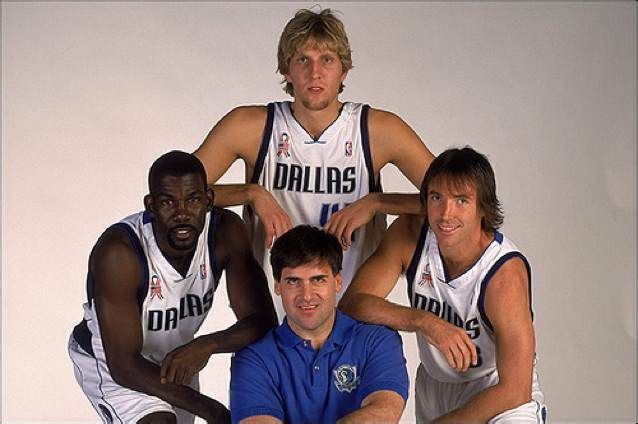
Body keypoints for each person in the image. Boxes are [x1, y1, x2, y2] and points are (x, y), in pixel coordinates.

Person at [193, 8, 434, 307]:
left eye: (327, 60)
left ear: (344, 70)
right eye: (303, 60)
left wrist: (377, 202)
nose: (315, 72)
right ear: (286, 69)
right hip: (272, 314)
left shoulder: (376, 130)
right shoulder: (251, 127)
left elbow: (458, 199)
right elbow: (176, 195)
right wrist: (252, 193)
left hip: (352, 312)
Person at [340, 147, 547, 422]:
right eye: (437, 197)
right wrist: (425, 322)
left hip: (497, 389)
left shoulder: (503, 273)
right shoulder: (409, 235)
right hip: (436, 385)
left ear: (482, 207)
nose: (446, 214)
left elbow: (515, 390)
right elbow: (353, 302)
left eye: (462, 201)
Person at [68, 151, 277, 424]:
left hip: (174, 357)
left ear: (208, 200)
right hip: (112, 359)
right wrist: (214, 411)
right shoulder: (119, 252)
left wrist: (207, 345)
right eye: (168, 202)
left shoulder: (225, 232)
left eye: (193, 200)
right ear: (151, 206)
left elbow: (262, 320)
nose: (182, 214)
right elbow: (124, 366)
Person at [229, 225, 409, 423]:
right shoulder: (253, 358)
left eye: (318, 279)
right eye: (293, 281)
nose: (306, 295)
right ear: (278, 286)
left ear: (337, 282)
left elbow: (385, 411)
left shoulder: (377, 340)